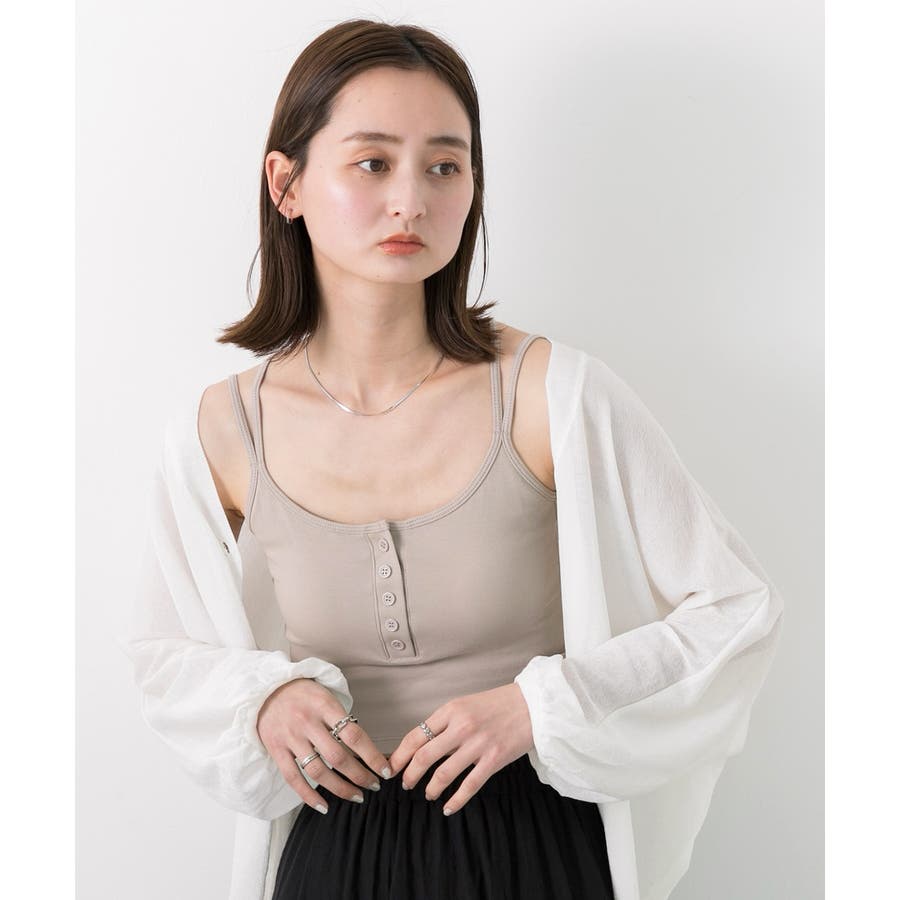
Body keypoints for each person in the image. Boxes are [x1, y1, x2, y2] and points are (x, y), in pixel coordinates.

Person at [120, 17, 784, 900]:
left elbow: (736, 608)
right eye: (372, 162)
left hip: (530, 852)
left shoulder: (555, 395)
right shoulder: (221, 430)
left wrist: (539, 708)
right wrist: (262, 701)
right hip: (332, 858)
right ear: (286, 183)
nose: (412, 201)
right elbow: (164, 652)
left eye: (444, 166)